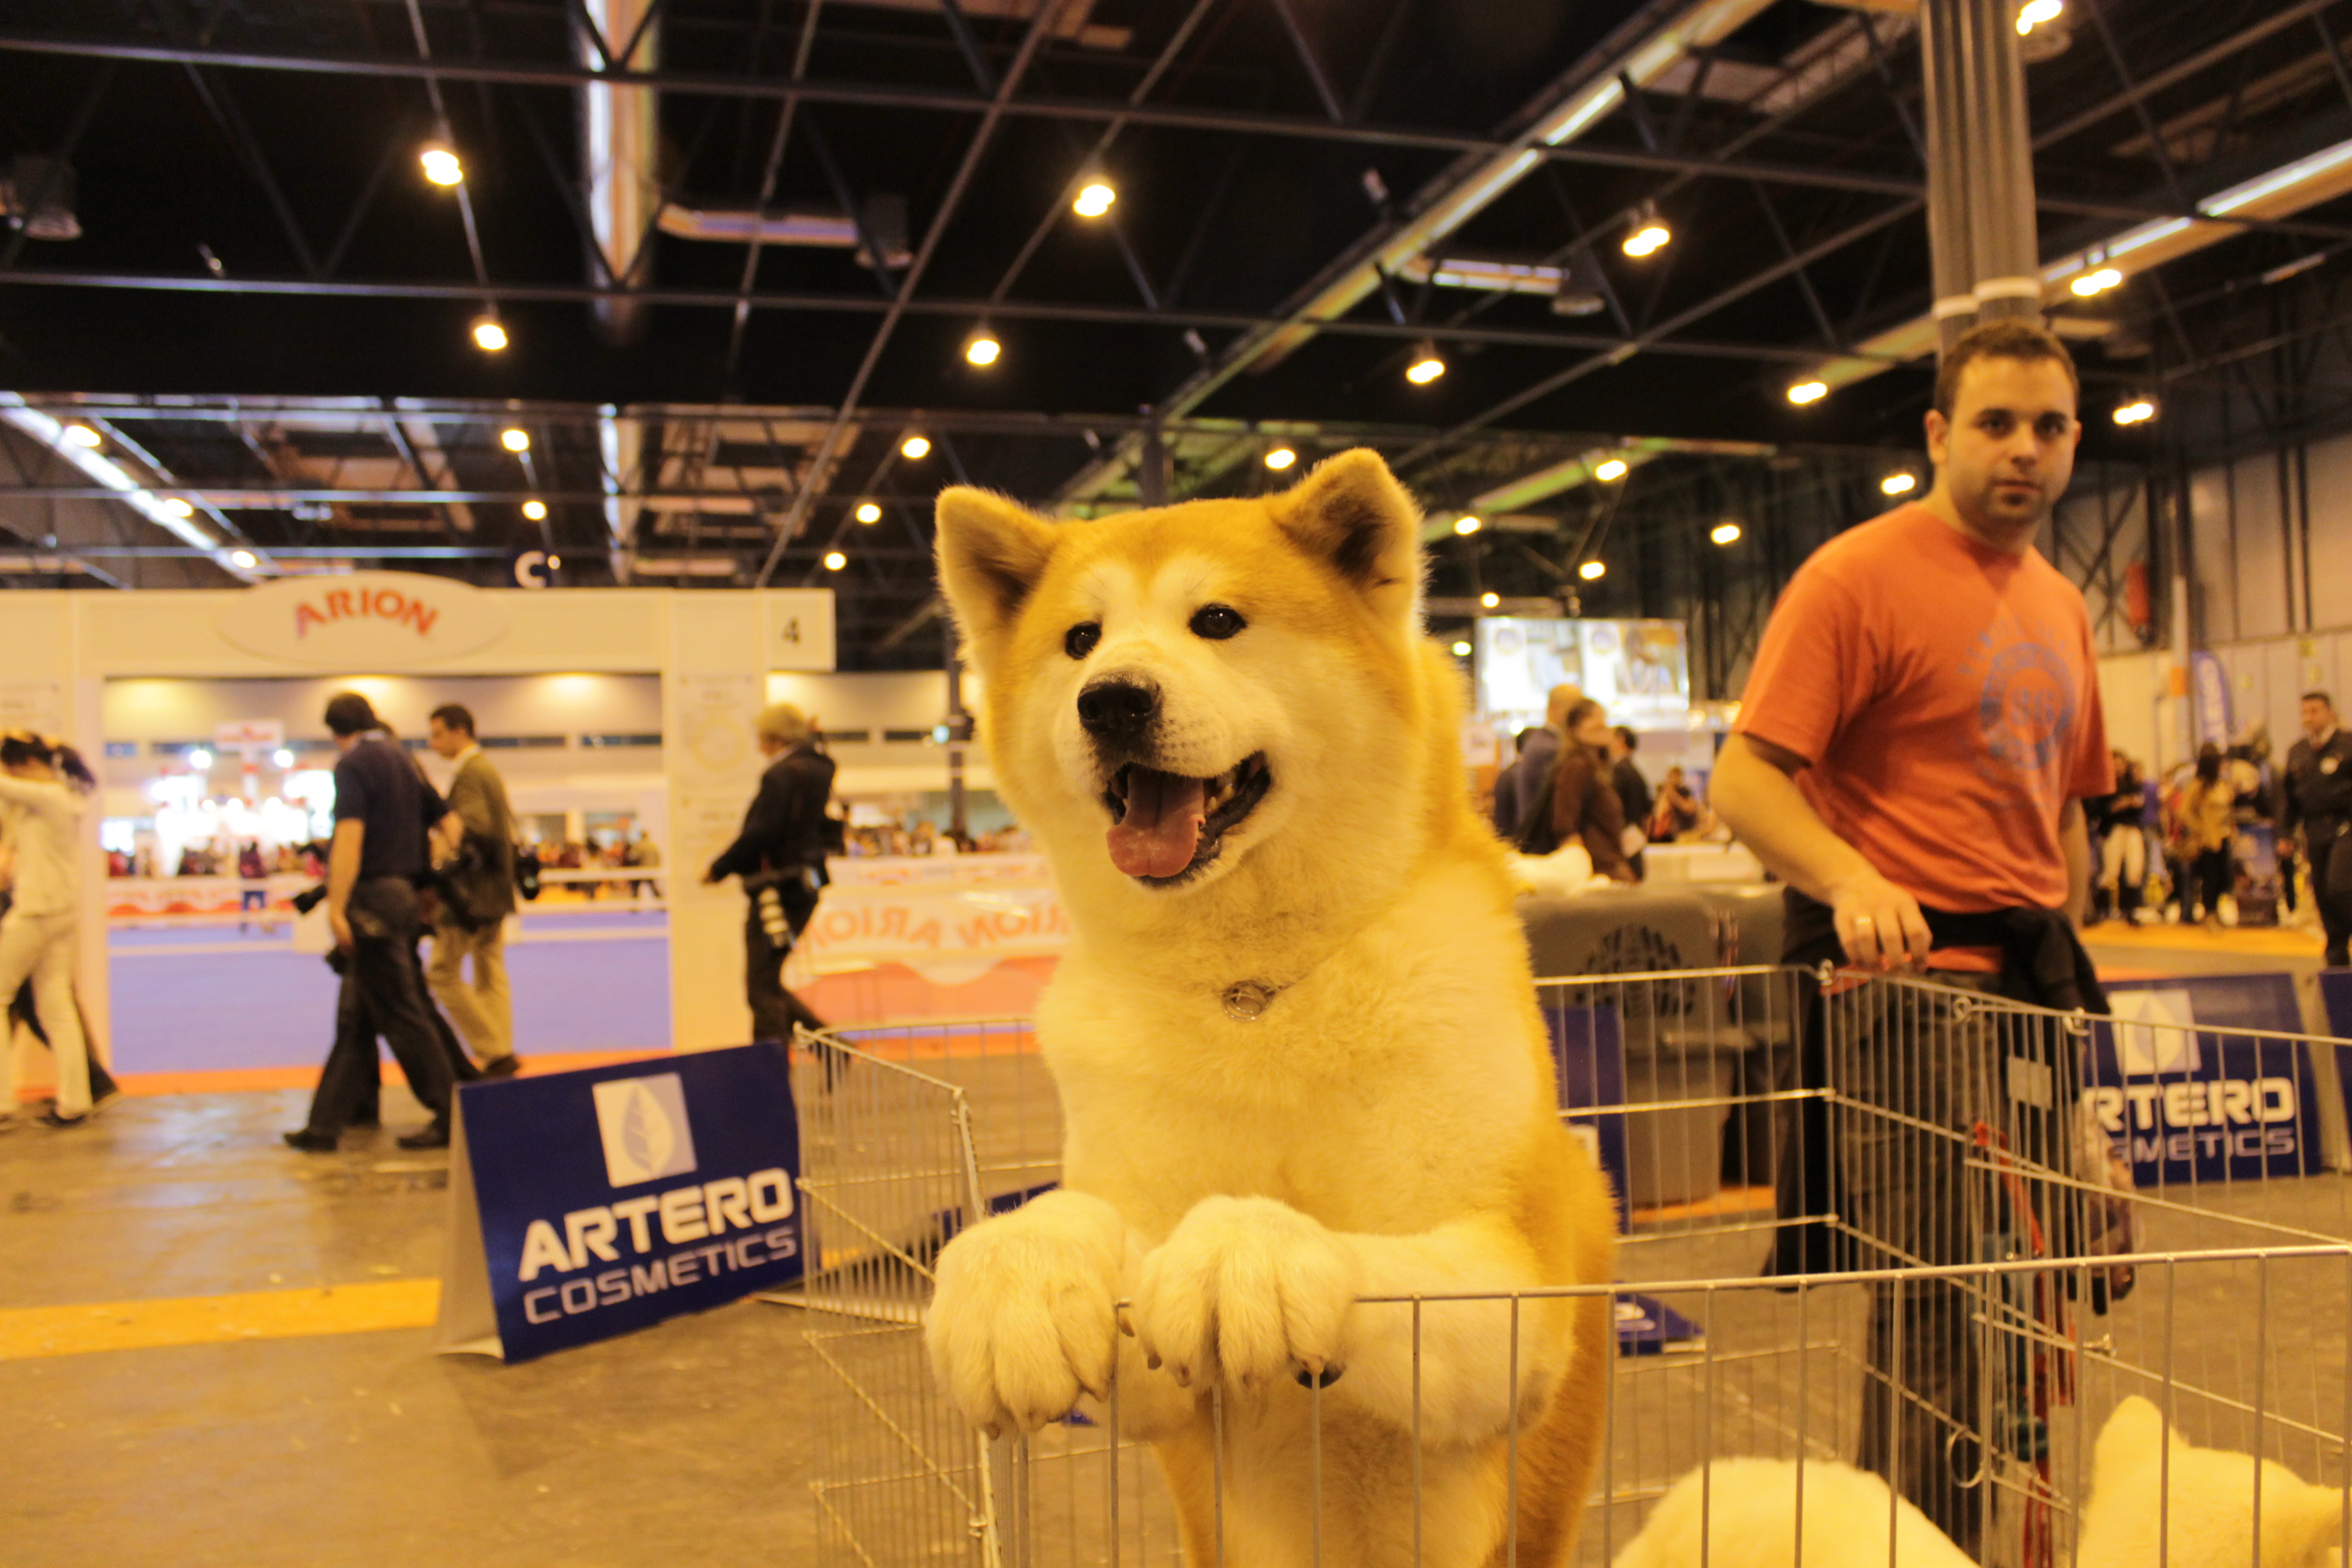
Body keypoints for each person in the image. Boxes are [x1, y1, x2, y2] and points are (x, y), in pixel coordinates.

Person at [1710, 317, 2112, 1556]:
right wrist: (1849, 877)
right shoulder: (1854, 578)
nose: (2024, 449)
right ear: (1939, 434)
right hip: (1906, 994)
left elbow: (2066, 813)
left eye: (2049, 426)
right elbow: (1743, 778)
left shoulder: (2063, 605)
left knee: (2039, 1306)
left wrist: (2073, 1012)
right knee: (1936, 1324)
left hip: (2030, 999)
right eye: (1995, 423)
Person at [285, 693, 459, 1153]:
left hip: (373, 899)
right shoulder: (404, 760)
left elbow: (349, 836)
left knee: (403, 1015)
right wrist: (431, 879)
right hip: (404, 896)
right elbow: (451, 825)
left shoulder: (353, 765)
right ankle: (324, 1125)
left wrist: (337, 906)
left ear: (334, 731)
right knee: (357, 1018)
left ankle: (451, 1114)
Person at [705, 704, 837, 1046]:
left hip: (776, 889)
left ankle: (771, 1068)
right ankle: (832, 1048)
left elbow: (761, 832)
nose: (758, 746)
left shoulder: (780, 775)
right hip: (806, 885)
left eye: (761, 738)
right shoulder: (821, 768)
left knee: (761, 988)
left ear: (775, 738)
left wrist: (719, 868)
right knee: (766, 982)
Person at [0, 730, 101, 1128]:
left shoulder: (49, 796)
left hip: (37, 911)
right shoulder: (58, 798)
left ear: (27, 765)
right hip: (59, 912)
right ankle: (74, 1101)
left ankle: (2, 1102)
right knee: (56, 1006)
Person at [423, 704, 520, 1077]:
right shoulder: (486, 770)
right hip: (495, 890)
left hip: (471, 895)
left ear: (460, 731)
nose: (433, 743)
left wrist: (444, 852)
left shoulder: (470, 774)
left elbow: (475, 830)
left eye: (438, 734)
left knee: (442, 973)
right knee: (489, 970)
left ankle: (493, 1051)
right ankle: (500, 1052)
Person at [2283, 691, 2352, 966]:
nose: (2309, 718)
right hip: (2314, 829)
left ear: (2330, 713)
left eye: (2315, 711)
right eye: (2305, 712)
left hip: (2345, 826)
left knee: (2339, 886)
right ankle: (2337, 953)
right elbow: (2289, 798)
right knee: (2323, 894)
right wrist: (2285, 833)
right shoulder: (2298, 752)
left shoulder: (2347, 745)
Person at [1548, 698, 1637, 883]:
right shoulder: (1577, 766)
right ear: (1576, 728)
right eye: (1593, 717)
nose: (1601, 723)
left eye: (1602, 717)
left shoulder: (1596, 768)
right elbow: (1565, 826)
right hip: (1598, 870)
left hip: (1608, 865)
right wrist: (1581, 871)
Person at [1491, 683, 1582, 843]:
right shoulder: (1550, 748)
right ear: (1554, 708)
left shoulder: (1543, 743)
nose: (1580, 717)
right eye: (1575, 709)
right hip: (1550, 846)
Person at [2180, 744, 2236, 927]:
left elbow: (2229, 809)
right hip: (2207, 840)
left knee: (2224, 877)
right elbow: (2185, 813)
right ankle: (2209, 913)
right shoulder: (2197, 787)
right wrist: (2200, 828)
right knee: (2209, 877)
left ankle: (2216, 910)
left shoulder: (2222, 785)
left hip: (2224, 836)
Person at [2096, 752, 2150, 925]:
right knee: (2110, 871)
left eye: (2121, 763)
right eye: (2115, 763)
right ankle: (2103, 909)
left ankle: (2131, 910)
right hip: (2114, 829)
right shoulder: (2105, 784)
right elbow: (2099, 810)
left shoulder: (2132, 784)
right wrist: (2117, 806)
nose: (2119, 767)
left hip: (2132, 828)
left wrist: (2133, 803)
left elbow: (2141, 808)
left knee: (2134, 869)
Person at [1609, 727, 1652, 879]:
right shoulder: (1636, 773)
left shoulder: (1618, 771)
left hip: (1623, 837)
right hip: (1635, 836)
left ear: (1621, 740)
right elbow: (1647, 811)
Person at [1648, 765, 1705, 841]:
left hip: (1684, 831)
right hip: (1668, 832)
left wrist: (1672, 794)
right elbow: (1660, 812)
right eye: (1671, 777)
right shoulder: (1664, 793)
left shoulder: (1684, 792)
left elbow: (1688, 808)